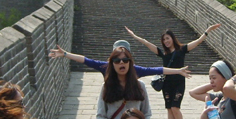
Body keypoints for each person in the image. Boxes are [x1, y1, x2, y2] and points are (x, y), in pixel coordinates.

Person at [125, 24, 221, 119]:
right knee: (169, 109)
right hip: (167, 84)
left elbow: (198, 41)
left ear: (172, 38)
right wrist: (134, 36)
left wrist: (208, 30)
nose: (166, 41)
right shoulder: (163, 53)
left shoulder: (182, 49)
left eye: (168, 38)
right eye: (164, 39)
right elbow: (147, 43)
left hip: (179, 83)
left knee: (175, 107)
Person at [48, 41, 192, 79]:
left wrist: (178, 70)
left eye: (125, 59)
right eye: (117, 60)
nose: (121, 62)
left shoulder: (135, 70)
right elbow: (85, 60)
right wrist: (65, 54)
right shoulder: (106, 67)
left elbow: (158, 69)